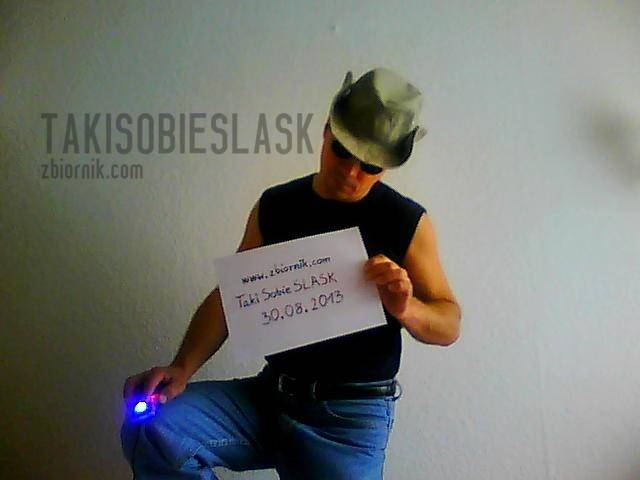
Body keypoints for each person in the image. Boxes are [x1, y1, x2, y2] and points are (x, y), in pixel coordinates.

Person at [120, 68, 462, 479]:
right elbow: (232, 296)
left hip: (348, 419)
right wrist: (182, 367)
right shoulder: (277, 205)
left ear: (387, 166)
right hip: (271, 395)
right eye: (342, 151)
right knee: (155, 427)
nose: (352, 172)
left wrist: (407, 309)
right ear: (326, 131)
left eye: (370, 165)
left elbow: (449, 323)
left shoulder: (405, 220)